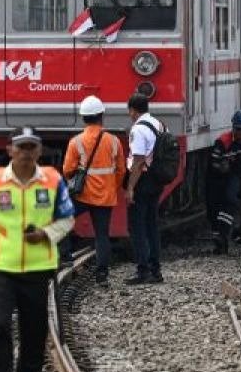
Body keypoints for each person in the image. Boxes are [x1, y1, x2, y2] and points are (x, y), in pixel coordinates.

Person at [0, 126, 75, 372]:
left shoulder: (52, 180)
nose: (26, 152)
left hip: (38, 270)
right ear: (9, 149)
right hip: (2, 267)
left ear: (39, 150)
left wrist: (46, 234)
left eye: (31, 147)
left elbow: (67, 218)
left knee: (34, 334)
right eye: (20, 146)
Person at [62, 95, 124, 284]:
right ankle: (102, 275)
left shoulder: (76, 142)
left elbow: (67, 170)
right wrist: (113, 187)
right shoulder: (114, 141)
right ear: (101, 116)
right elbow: (121, 170)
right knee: (102, 234)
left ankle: (64, 256)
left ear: (83, 118)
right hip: (105, 195)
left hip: (82, 195)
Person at [124, 93, 165, 284]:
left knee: (137, 226)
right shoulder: (159, 124)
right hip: (156, 180)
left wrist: (130, 187)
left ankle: (143, 270)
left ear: (133, 110)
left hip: (143, 180)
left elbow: (138, 161)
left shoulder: (138, 130)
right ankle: (155, 269)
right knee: (151, 224)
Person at [208, 111, 241, 255]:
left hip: (235, 176)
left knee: (230, 202)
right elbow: (213, 164)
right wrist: (221, 167)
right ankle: (218, 236)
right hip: (217, 178)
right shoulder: (223, 142)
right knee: (214, 208)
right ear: (233, 127)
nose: (240, 133)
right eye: (238, 129)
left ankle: (223, 237)